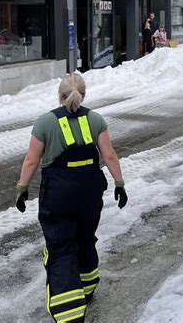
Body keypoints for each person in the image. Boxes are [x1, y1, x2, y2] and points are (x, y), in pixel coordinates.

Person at [15, 73, 128, 322]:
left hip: (58, 194)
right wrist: (119, 184)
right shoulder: (96, 119)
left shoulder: (45, 123)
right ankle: (86, 289)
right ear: (83, 94)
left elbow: (32, 160)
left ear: (60, 95)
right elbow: (109, 155)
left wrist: (22, 188)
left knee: (61, 246)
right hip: (89, 193)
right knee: (85, 238)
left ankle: (69, 313)